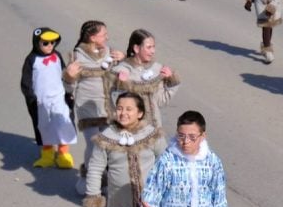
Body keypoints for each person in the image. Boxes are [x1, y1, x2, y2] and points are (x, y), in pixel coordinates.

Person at [64, 20, 126, 171]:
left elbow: (122, 76)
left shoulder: (109, 52)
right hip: (88, 108)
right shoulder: (78, 56)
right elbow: (69, 88)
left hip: (108, 108)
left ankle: (103, 179)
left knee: (108, 147)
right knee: (93, 146)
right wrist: (69, 77)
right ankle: (88, 181)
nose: (107, 37)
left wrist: (123, 60)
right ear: (93, 38)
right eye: (104, 34)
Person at [20, 27, 77, 169]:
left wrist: (69, 85)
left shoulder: (56, 55)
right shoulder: (31, 59)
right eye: (45, 43)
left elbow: (64, 73)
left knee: (63, 123)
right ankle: (47, 155)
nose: (50, 46)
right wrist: (31, 98)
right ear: (37, 43)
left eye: (52, 42)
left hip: (59, 97)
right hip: (41, 101)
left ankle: (63, 154)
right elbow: (26, 82)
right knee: (44, 126)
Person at [112, 29, 180, 132]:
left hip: (154, 129)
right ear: (136, 48)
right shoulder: (123, 70)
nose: (153, 51)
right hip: (131, 132)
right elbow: (115, 103)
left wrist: (172, 83)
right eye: (149, 47)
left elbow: (160, 101)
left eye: (153, 47)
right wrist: (122, 84)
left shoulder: (157, 69)